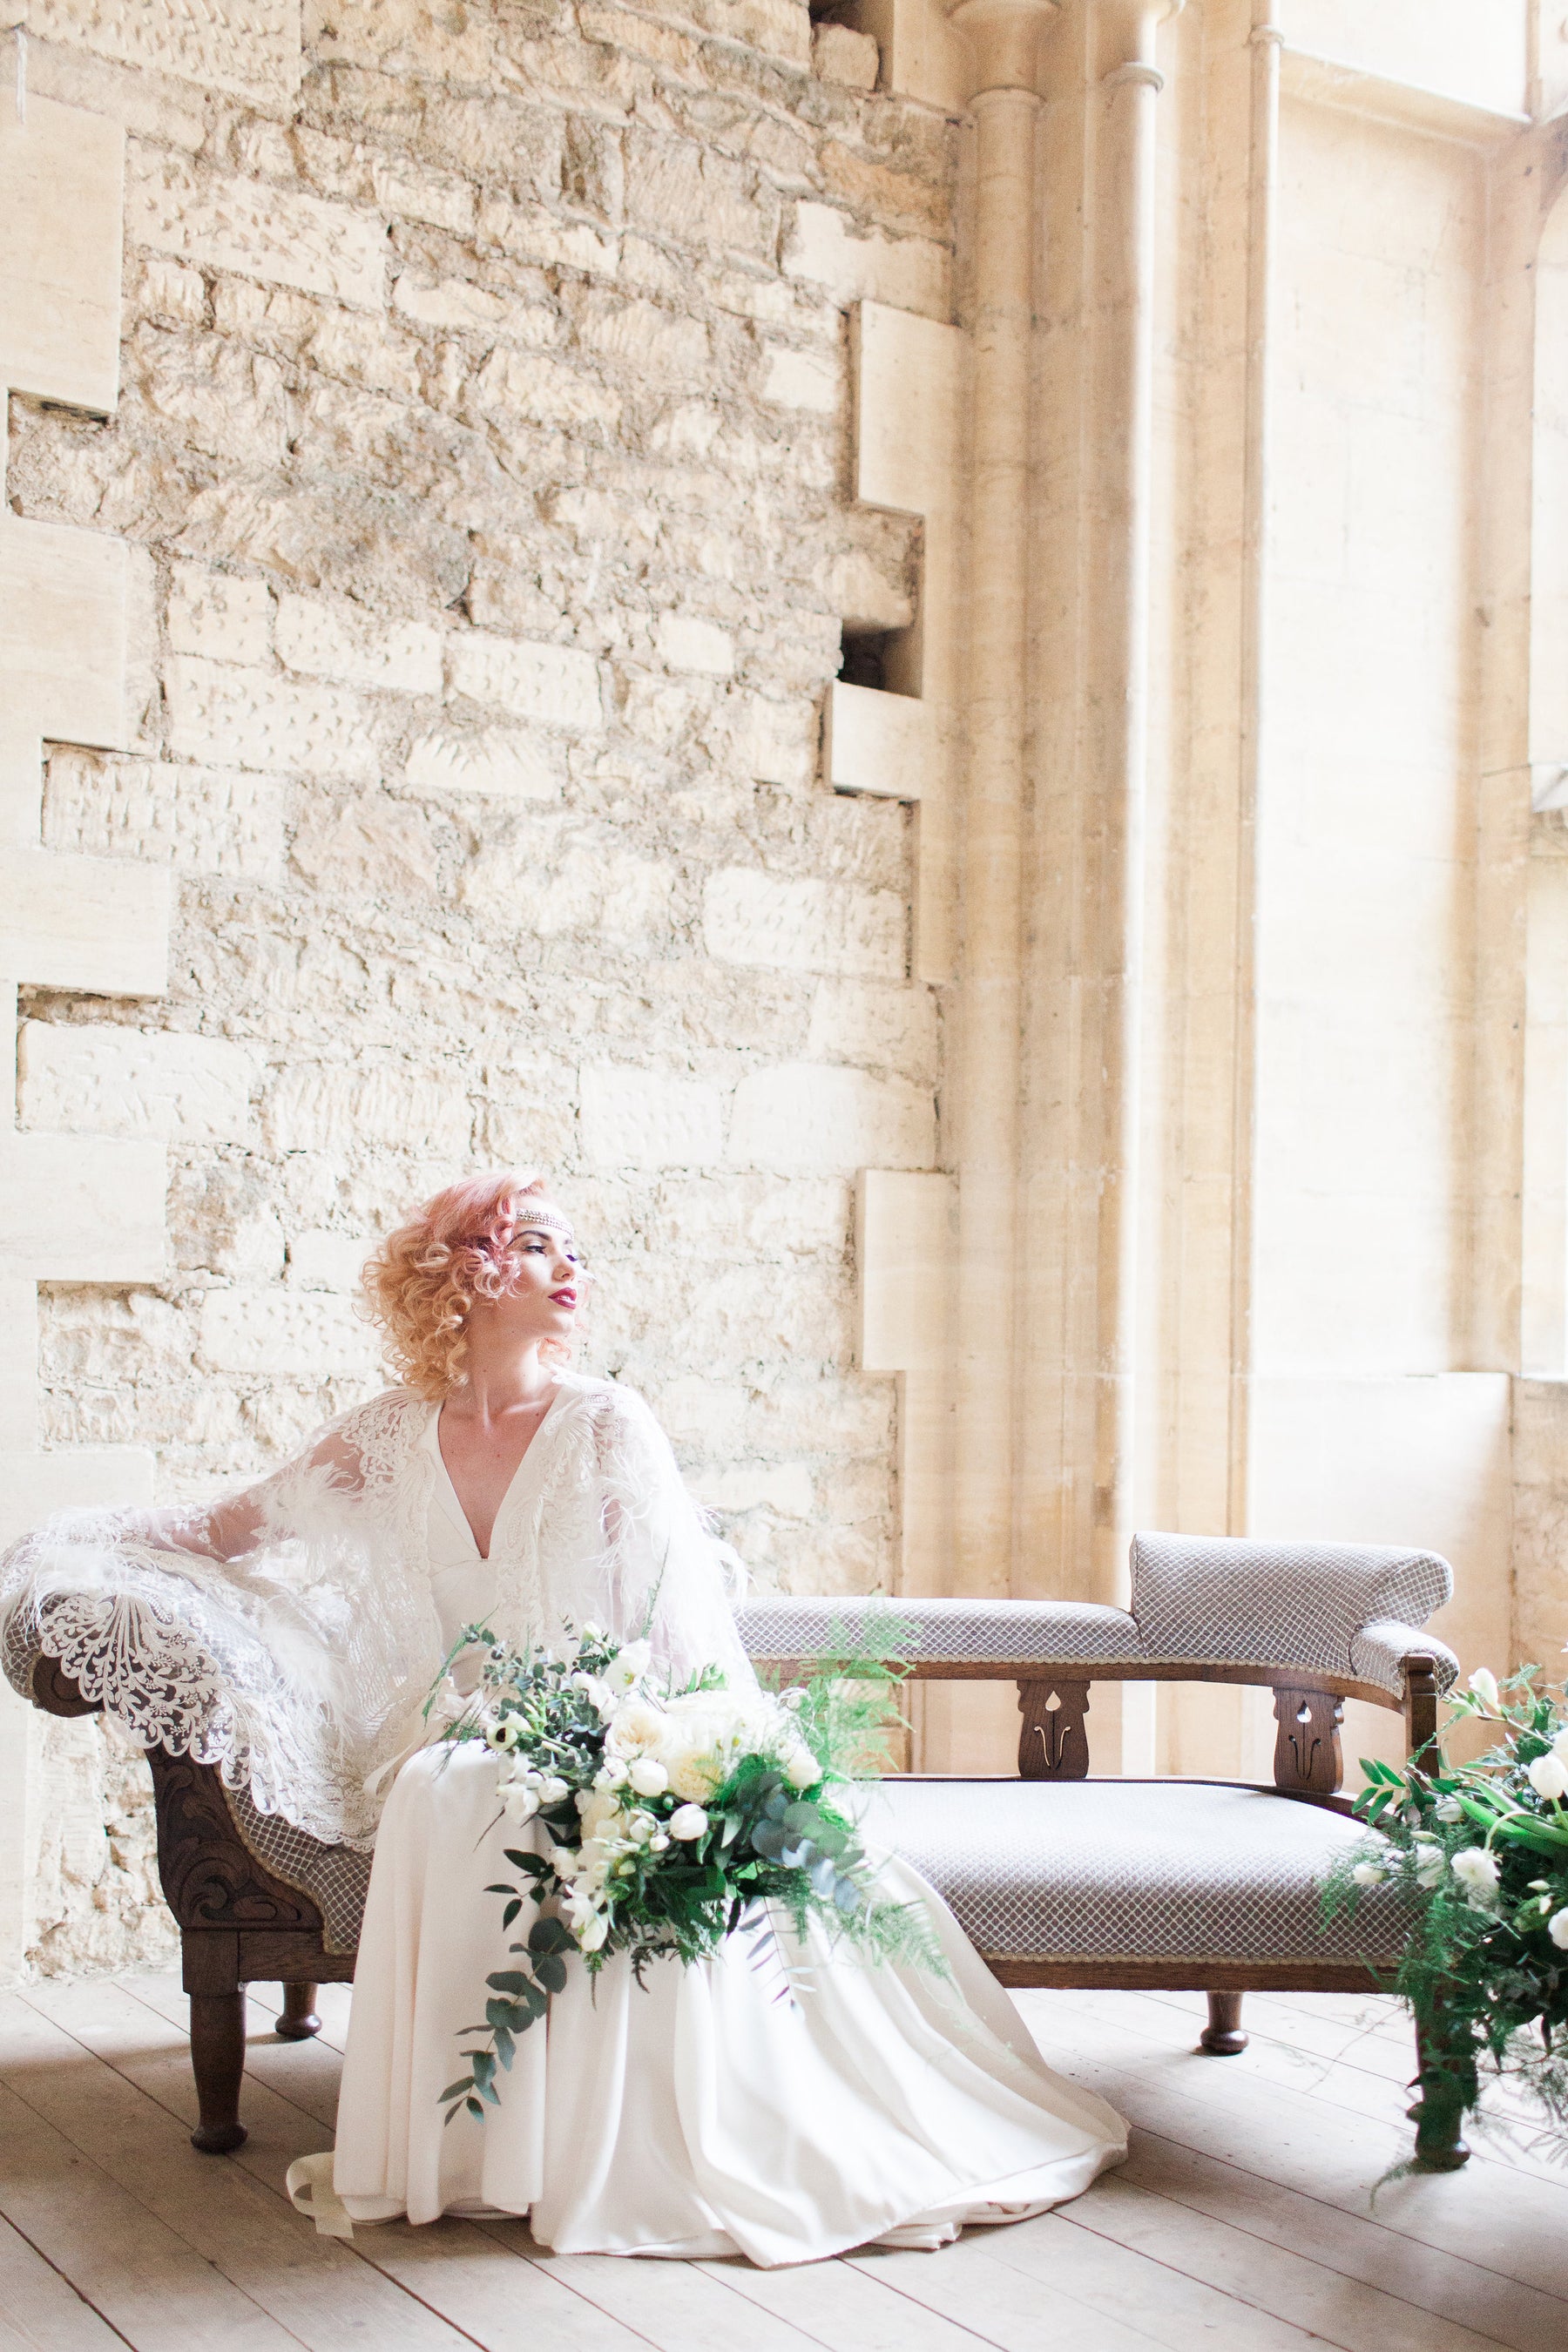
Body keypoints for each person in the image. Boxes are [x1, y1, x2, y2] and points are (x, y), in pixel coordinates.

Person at [1, 1172, 1125, 2264]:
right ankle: (480, 2145)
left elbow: (669, 1609)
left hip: (607, 1712)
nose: (567, 1265)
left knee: (497, 1791)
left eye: (570, 1247)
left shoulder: (603, 1421)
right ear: (461, 1273)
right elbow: (226, 1529)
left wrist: (706, 1755)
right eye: (534, 1242)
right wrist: (64, 1542)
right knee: (453, 1782)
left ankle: (591, 2141)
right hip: (450, 1731)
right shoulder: (385, 1434)